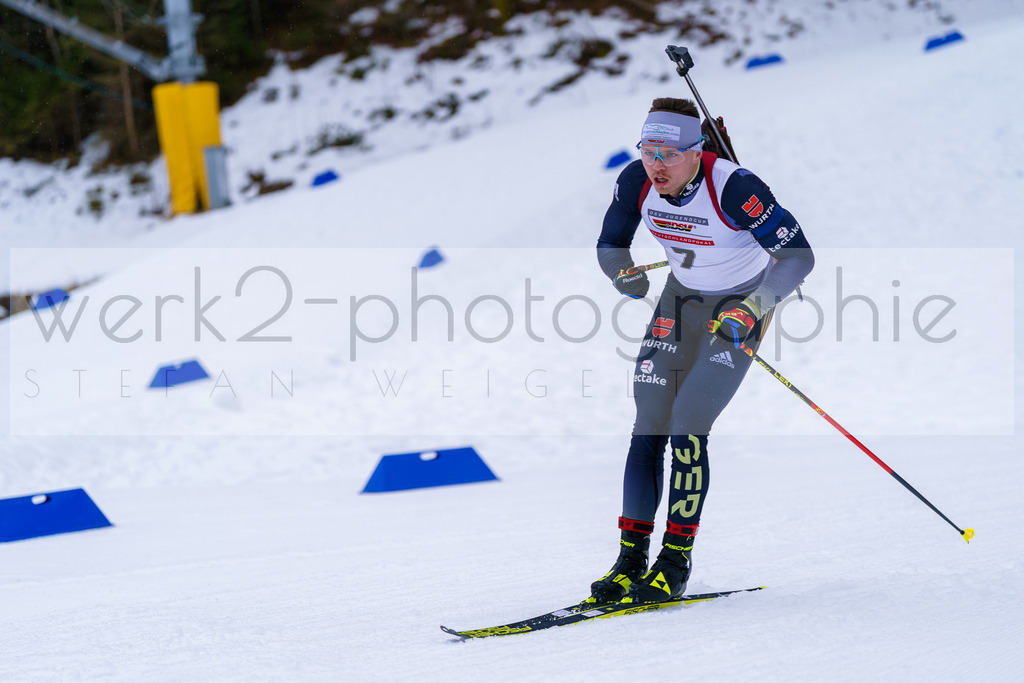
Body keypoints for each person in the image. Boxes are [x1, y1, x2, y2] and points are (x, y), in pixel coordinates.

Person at [590, 97, 814, 604]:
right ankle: (629, 561)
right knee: (650, 418)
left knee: (689, 420)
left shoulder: (734, 187)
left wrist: (755, 306)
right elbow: (610, 243)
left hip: (739, 307)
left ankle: (674, 561)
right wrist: (619, 272)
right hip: (680, 301)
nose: (657, 163)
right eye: (648, 149)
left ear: (697, 151)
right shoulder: (635, 181)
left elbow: (798, 257)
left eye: (669, 152)